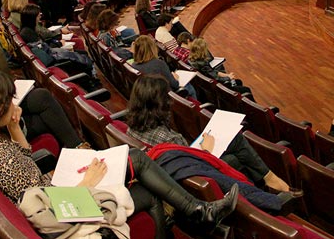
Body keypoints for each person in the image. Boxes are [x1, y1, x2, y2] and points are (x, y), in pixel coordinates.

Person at [0, 70, 238, 238]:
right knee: (145, 182)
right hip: (65, 207)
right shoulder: (3, 161)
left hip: (52, 190)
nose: (14, 102)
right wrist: (86, 183)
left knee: (135, 158)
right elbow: (45, 210)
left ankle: (198, 214)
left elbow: (25, 158)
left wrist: (14, 125)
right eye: (9, 100)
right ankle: (198, 213)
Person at [127, 75, 300, 215]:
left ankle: (264, 188)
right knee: (237, 148)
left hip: (176, 171)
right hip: (192, 176)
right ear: (160, 105)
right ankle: (268, 184)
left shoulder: (131, 129)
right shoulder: (168, 138)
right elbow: (193, 166)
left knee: (236, 152)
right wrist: (206, 149)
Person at [131, 35, 197, 98]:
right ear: (152, 49)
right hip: (164, 97)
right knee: (190, 88)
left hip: (149, 96)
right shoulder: (159, 64)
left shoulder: (133, 65)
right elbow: (175, 85)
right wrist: (176, 79)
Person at [189, 38, 253, 96]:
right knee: (246, 89)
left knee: (238, 81)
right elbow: (216, 78)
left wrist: (227, 75)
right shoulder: (203, 64)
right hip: (220, 87)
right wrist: (228, 78)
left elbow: (213, 72)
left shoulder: (193, 60)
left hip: (211, 85)